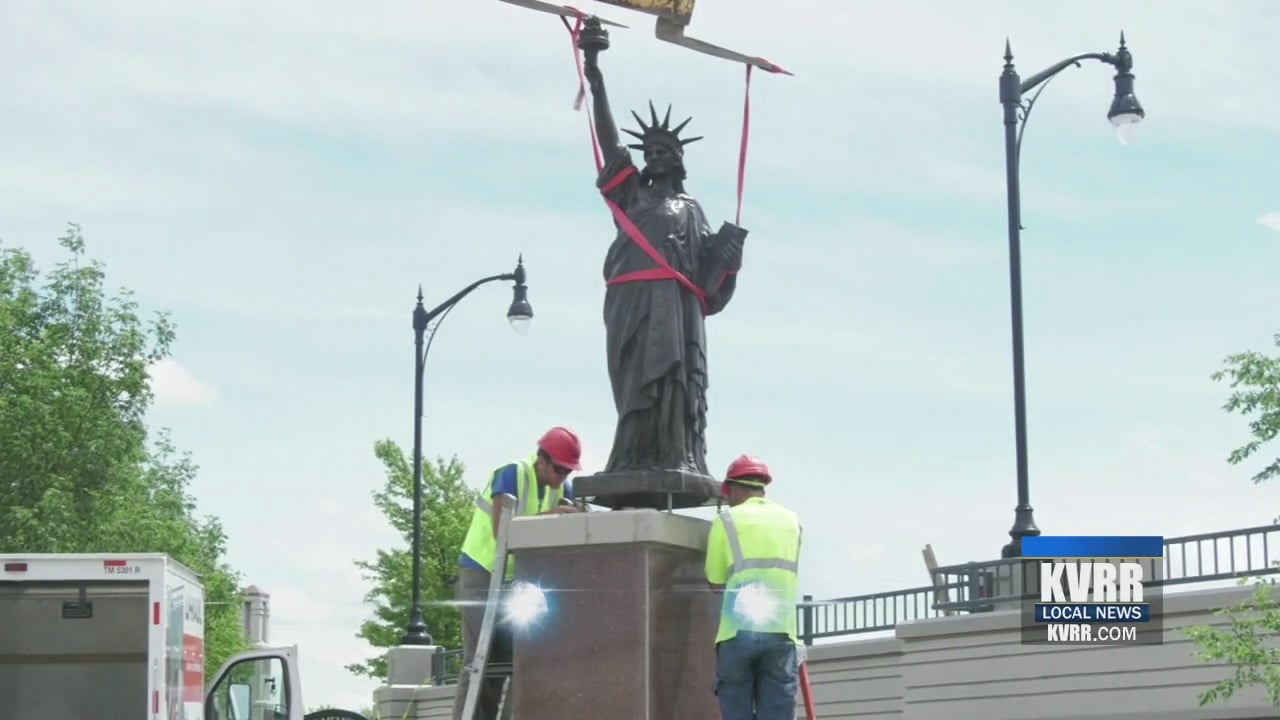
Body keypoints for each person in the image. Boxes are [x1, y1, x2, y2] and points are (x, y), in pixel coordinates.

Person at [578, 17, 748, 479]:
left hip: (676, 312)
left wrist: (727, 255)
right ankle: (631, 457)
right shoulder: (632, 196)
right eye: (648, 151)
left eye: (662, 152)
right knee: (635, 383)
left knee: (674, 384)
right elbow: (610, 141)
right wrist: (595, 74)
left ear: (678, 160)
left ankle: (675, 455)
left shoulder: (692, 210)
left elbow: (709, 286)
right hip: (632, 305)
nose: (653, 157)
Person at [451, 426, 584, 720]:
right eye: (561, 469)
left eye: (568, 471)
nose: (564, 477)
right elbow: (502, 532)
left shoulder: (563, 489)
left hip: (516, 581)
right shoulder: (512, 474)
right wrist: (553, 516)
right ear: (542, 462)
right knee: (478, 662)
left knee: (507, 663)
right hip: (481, 573)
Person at [704, 455, 803, 720]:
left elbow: (715, 583)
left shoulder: (726, 520)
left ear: (732, 488)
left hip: (737, 632)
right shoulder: (792, 521)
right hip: (782, 631)